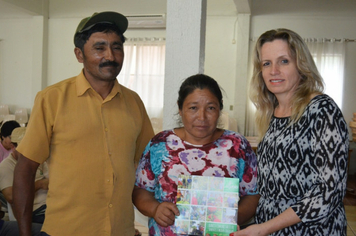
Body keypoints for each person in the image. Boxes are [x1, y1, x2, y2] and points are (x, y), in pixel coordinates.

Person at [12, 11, 154, 236]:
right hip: (65, 230)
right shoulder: (52, 99)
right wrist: (25, 233)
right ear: (79, 54)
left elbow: (147, 166)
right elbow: (25, 169)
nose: (110, 56)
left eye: (117, 47)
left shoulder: (134, 102)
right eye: (99, 48)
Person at [233, 28, 349, 235]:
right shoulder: (270, 113)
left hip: (311, 230)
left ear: (301, 65)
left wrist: (263, 229)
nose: (273, 70)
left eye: (284, 61)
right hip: (268, 227)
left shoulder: (322, 109)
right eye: (266, 63)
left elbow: (328, 193)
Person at [133, 74, 259, 235]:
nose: (202, 117)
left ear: (220, 108)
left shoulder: (237, 146)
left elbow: (252, 195)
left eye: (211, 108)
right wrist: (155, 209)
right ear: (180, 108)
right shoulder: (160, 144)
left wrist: (230, 220)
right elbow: (141, 190)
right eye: (193, 108)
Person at [0, 127, 48, 224]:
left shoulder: (36, 159)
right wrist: (39, 184)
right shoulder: (6, 166)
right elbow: (11, 197)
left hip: (50, 204)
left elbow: (51, 179)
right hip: (35, 211)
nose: (30, 151)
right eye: (26, 147)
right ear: (13, 147)